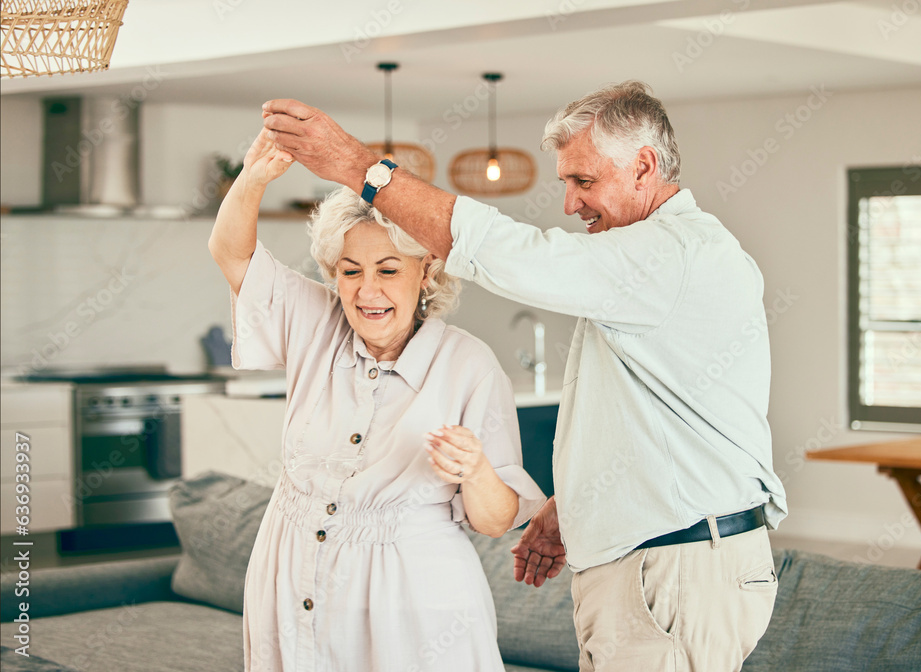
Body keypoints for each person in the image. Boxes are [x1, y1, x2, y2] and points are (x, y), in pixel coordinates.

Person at [260, 80, 788, 672]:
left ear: (644, 166)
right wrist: (574, 506)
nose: (570, 203)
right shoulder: (655, 260)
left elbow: (523, 256)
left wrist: (360, 167)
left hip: (674, 568)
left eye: (583, 181)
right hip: (659, 562)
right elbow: (658, 420)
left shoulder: (671, 254)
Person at [208, 129, 546, 672]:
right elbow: (231, 252)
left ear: (427, 271)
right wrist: (254, 177)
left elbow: (494, 519)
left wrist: (477, 471)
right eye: (350, 272)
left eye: (388, 270)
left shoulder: (468, 365)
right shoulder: (315, 324)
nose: (367, 292)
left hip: (410, 600)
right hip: (289, 571)